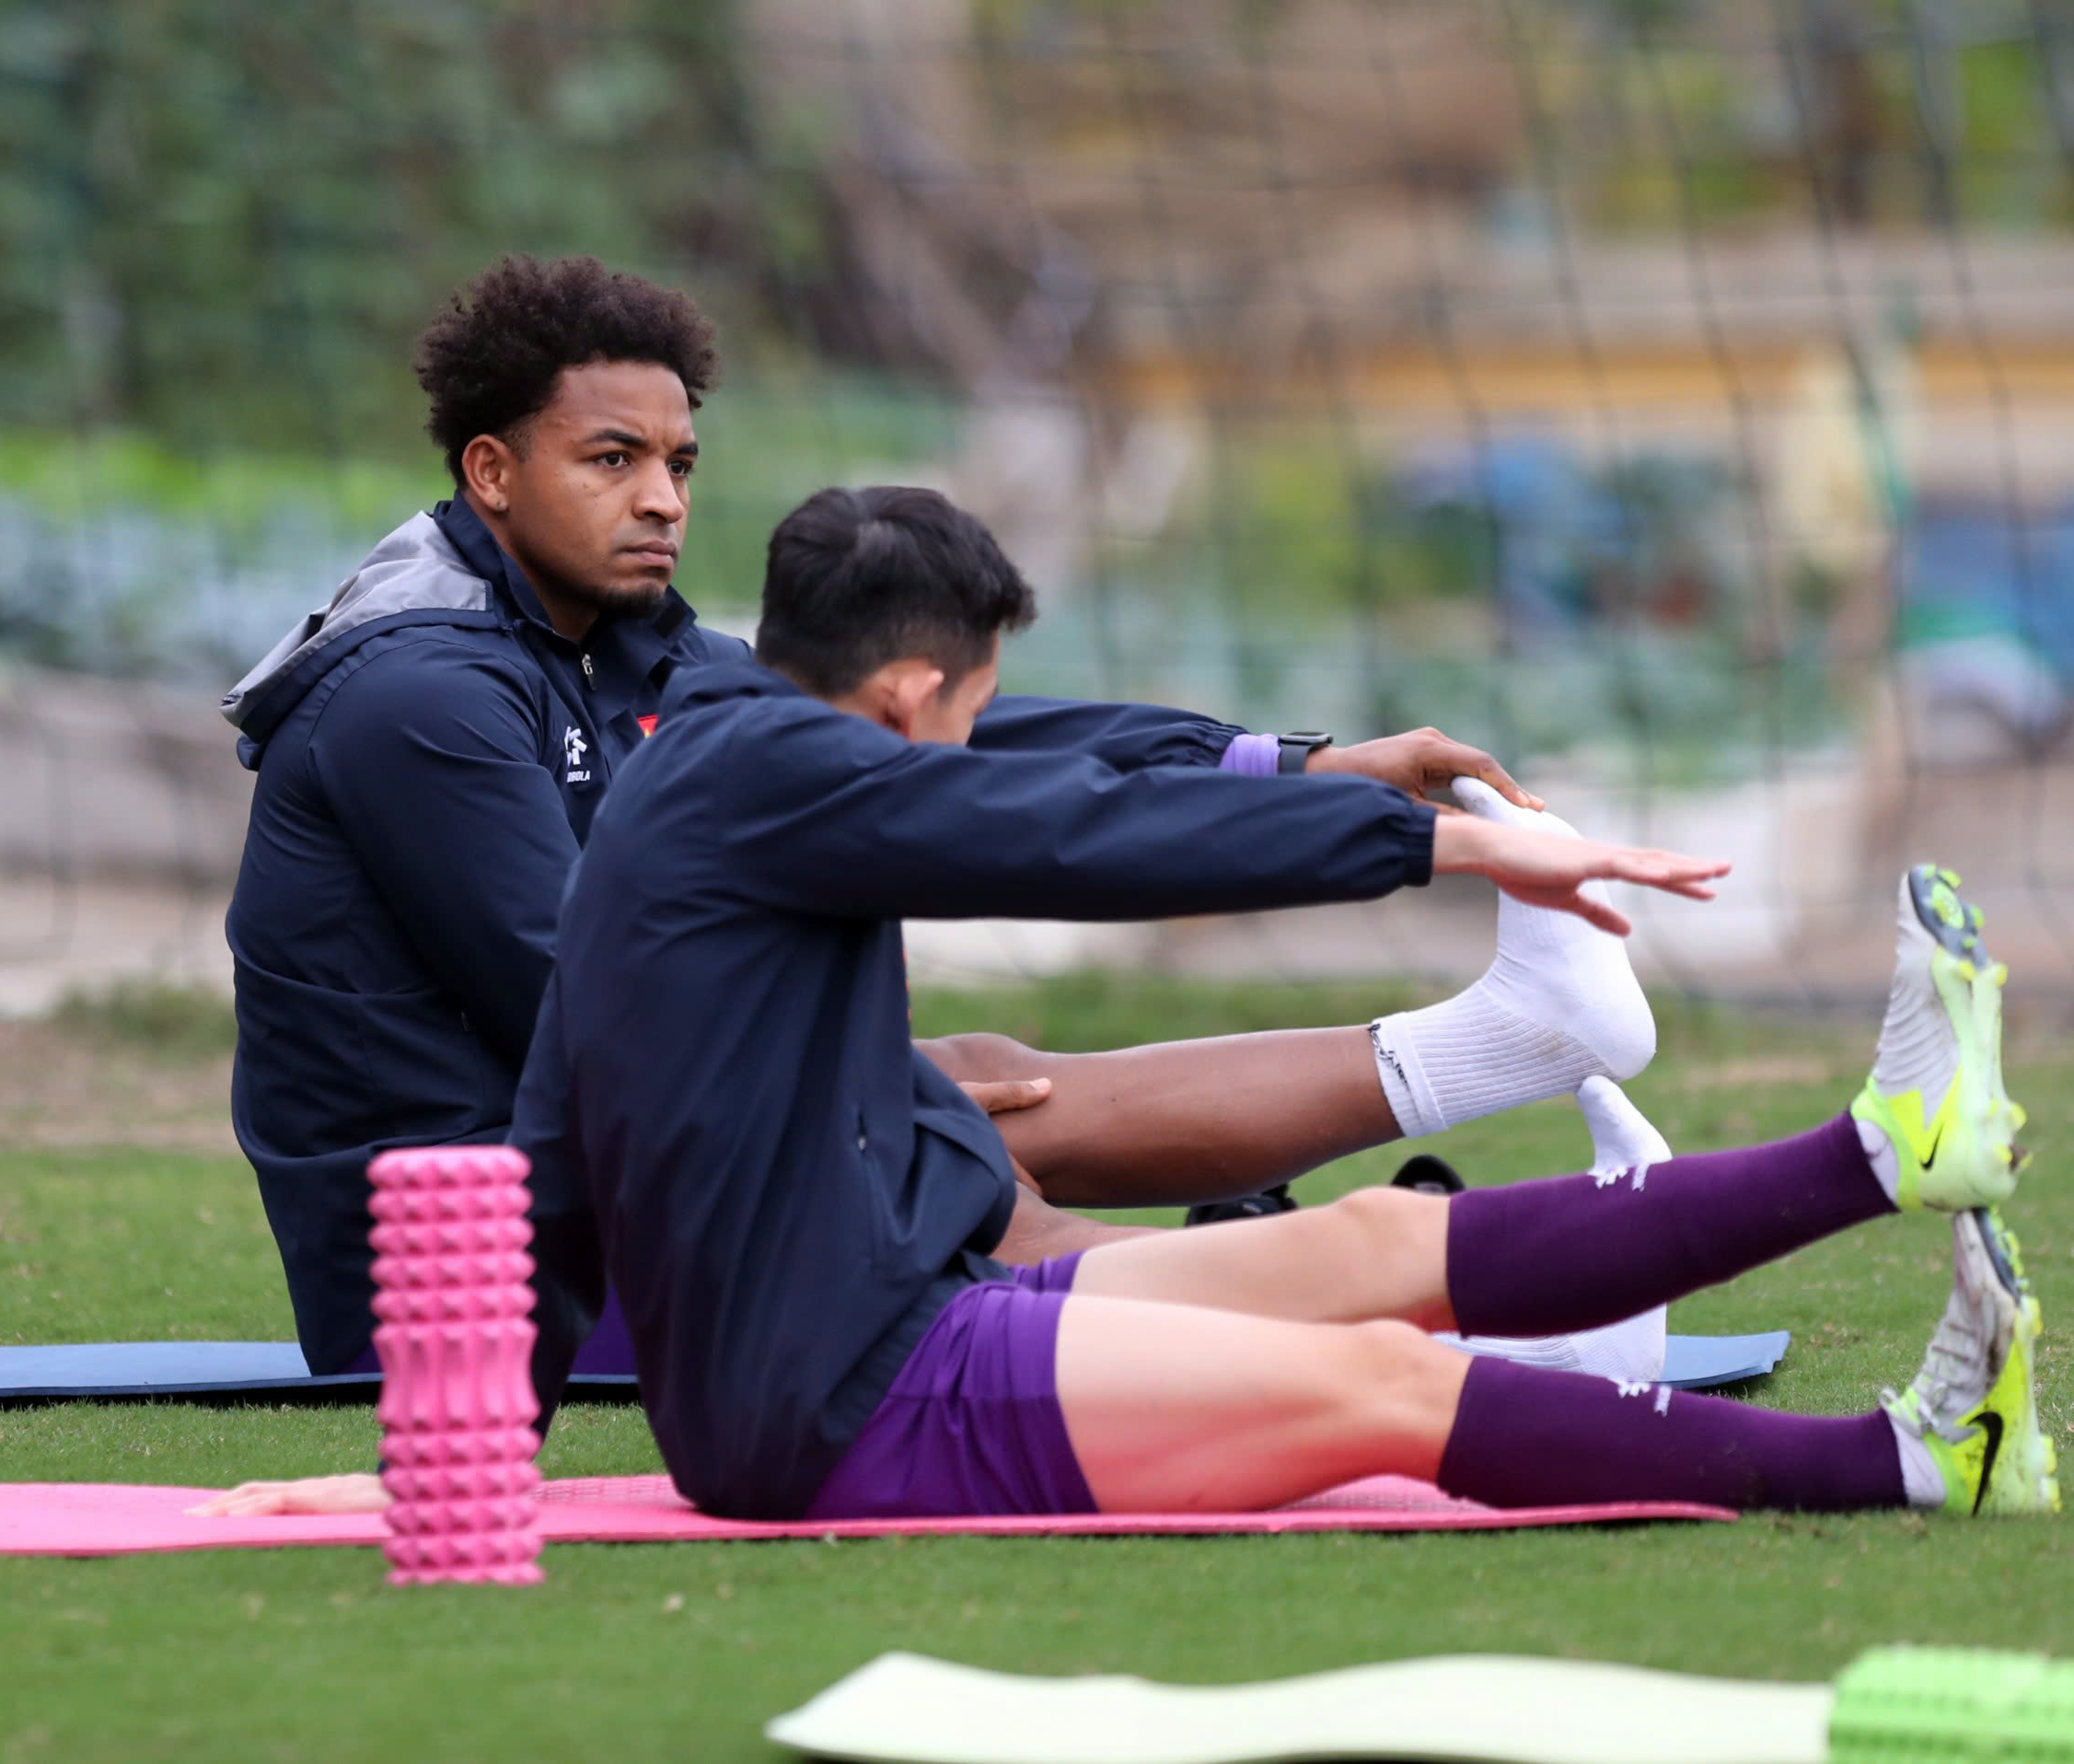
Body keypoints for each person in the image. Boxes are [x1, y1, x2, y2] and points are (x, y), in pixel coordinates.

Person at [192, 487, 2055, 1525]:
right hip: (842, 1407)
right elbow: (1056, 822)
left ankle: (1890, 1149)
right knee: (1380, 1388)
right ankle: (1898, 1460)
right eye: (967, 697)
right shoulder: (767, 779)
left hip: (892, 1318)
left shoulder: (732, 754)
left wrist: (1326, 767)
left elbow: (548, 1129)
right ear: (909, 689)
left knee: (1358, 1262)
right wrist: (1434, 853)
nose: (977, 726)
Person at [219, 252, 1662, 1400]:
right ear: (490, 473)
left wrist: (1295, 767)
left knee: (983, 1081)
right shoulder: (418, 696)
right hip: (472, 1277)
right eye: (610, 461)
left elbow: (932, 729)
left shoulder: (624, 638)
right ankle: (1476, 1336)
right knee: (958, 1168)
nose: (661, 500)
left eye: (679, 462)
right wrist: (854, 1100)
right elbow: (577, 1003)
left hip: (627, 1172)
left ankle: (1514, 1041)